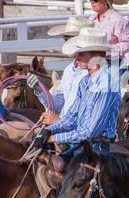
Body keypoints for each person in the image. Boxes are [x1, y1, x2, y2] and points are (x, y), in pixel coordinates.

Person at [34, 27, 121, 155]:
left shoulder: (106, 85)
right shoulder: (85, 81)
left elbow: (90, 131)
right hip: (82, 143)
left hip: (98, 148)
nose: (76, 58)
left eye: (81, 54)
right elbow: (72, 117)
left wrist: (54, 137)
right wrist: (49, 130)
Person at [26, 17, 92, 121]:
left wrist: (58, 121)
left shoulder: (93, 73)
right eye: (66, 40)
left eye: (70, 40)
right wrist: (40, 90)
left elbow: (88, 116)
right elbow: (58, 104)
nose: (66, 43)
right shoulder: (69, 69)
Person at [77, 0, 129, 66]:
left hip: (112, 64)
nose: (92, 2)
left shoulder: (118, 19)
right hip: (93, 63)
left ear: (106, 0)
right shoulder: (92, 19)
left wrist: (106, 51)